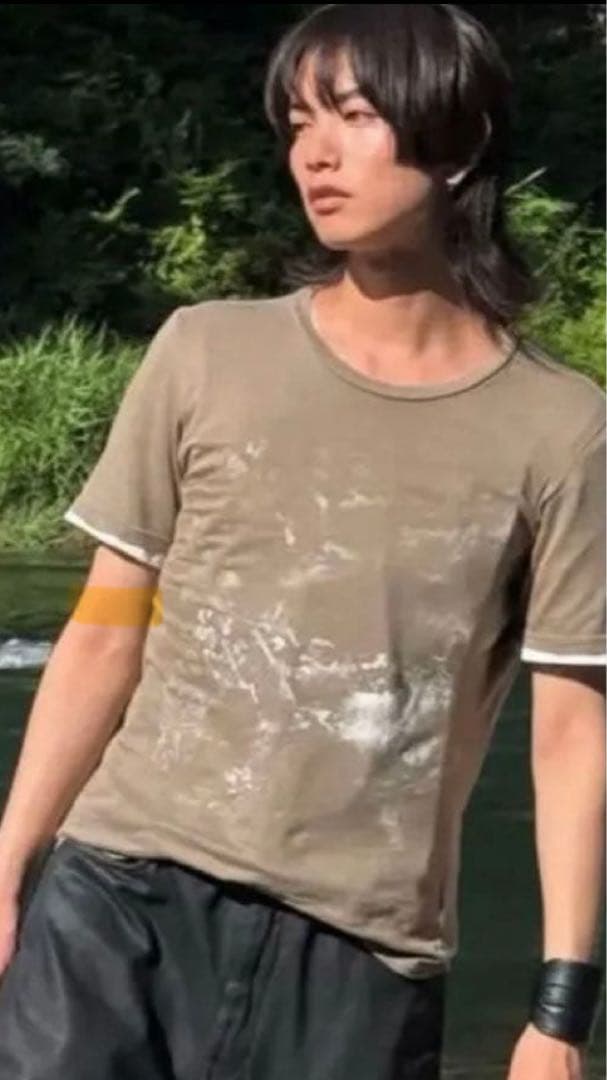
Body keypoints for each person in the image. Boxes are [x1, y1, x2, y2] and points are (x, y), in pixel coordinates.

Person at [0, 4, 604, 1078]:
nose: (313, 153)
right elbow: (104, 628)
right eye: (295, 123)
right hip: (116, 908)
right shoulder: (205, 352)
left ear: (458, 143)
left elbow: (568, 727)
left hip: (360, 958)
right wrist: (7, 871)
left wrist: (558, 1011)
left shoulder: (561, 429)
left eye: (354, 116)